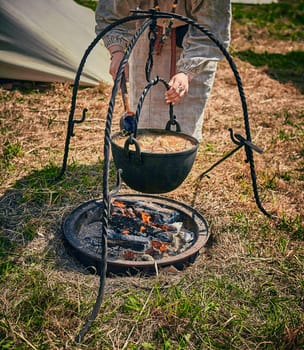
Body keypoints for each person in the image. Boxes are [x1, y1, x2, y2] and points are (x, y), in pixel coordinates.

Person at [95, 1, 231, 141]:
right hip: (148, 36)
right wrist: (117, 52)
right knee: (145, 118)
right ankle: (143, 154)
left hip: (195, 44)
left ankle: (179, 158)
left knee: (184, 132)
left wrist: (186, 72)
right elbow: (113, 14)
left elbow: (212, 29)